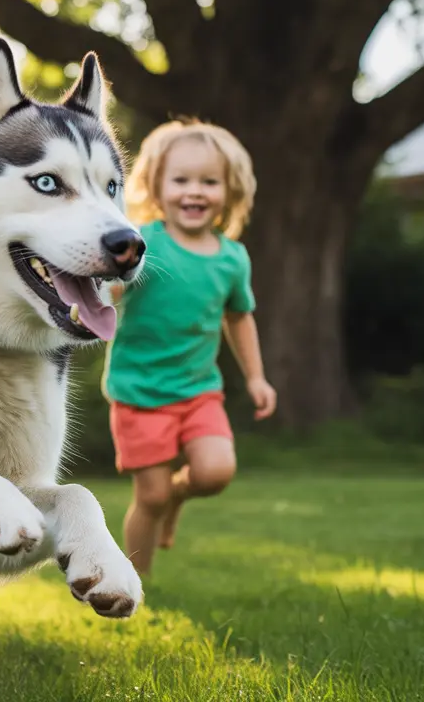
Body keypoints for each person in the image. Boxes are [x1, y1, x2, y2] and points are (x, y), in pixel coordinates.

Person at [103, 119, 277, 577]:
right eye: (181, 180)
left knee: (215, 473)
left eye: (208, 182)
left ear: (230, 190)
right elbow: (112, 290)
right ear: (157, 187)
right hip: (139, 392)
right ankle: (132, 584)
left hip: (199, 391)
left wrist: (256, 377)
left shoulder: (232, 259)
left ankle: (181, 495)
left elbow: (238, 317)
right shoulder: (144, 243)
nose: (193, 192)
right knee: (151, 497)